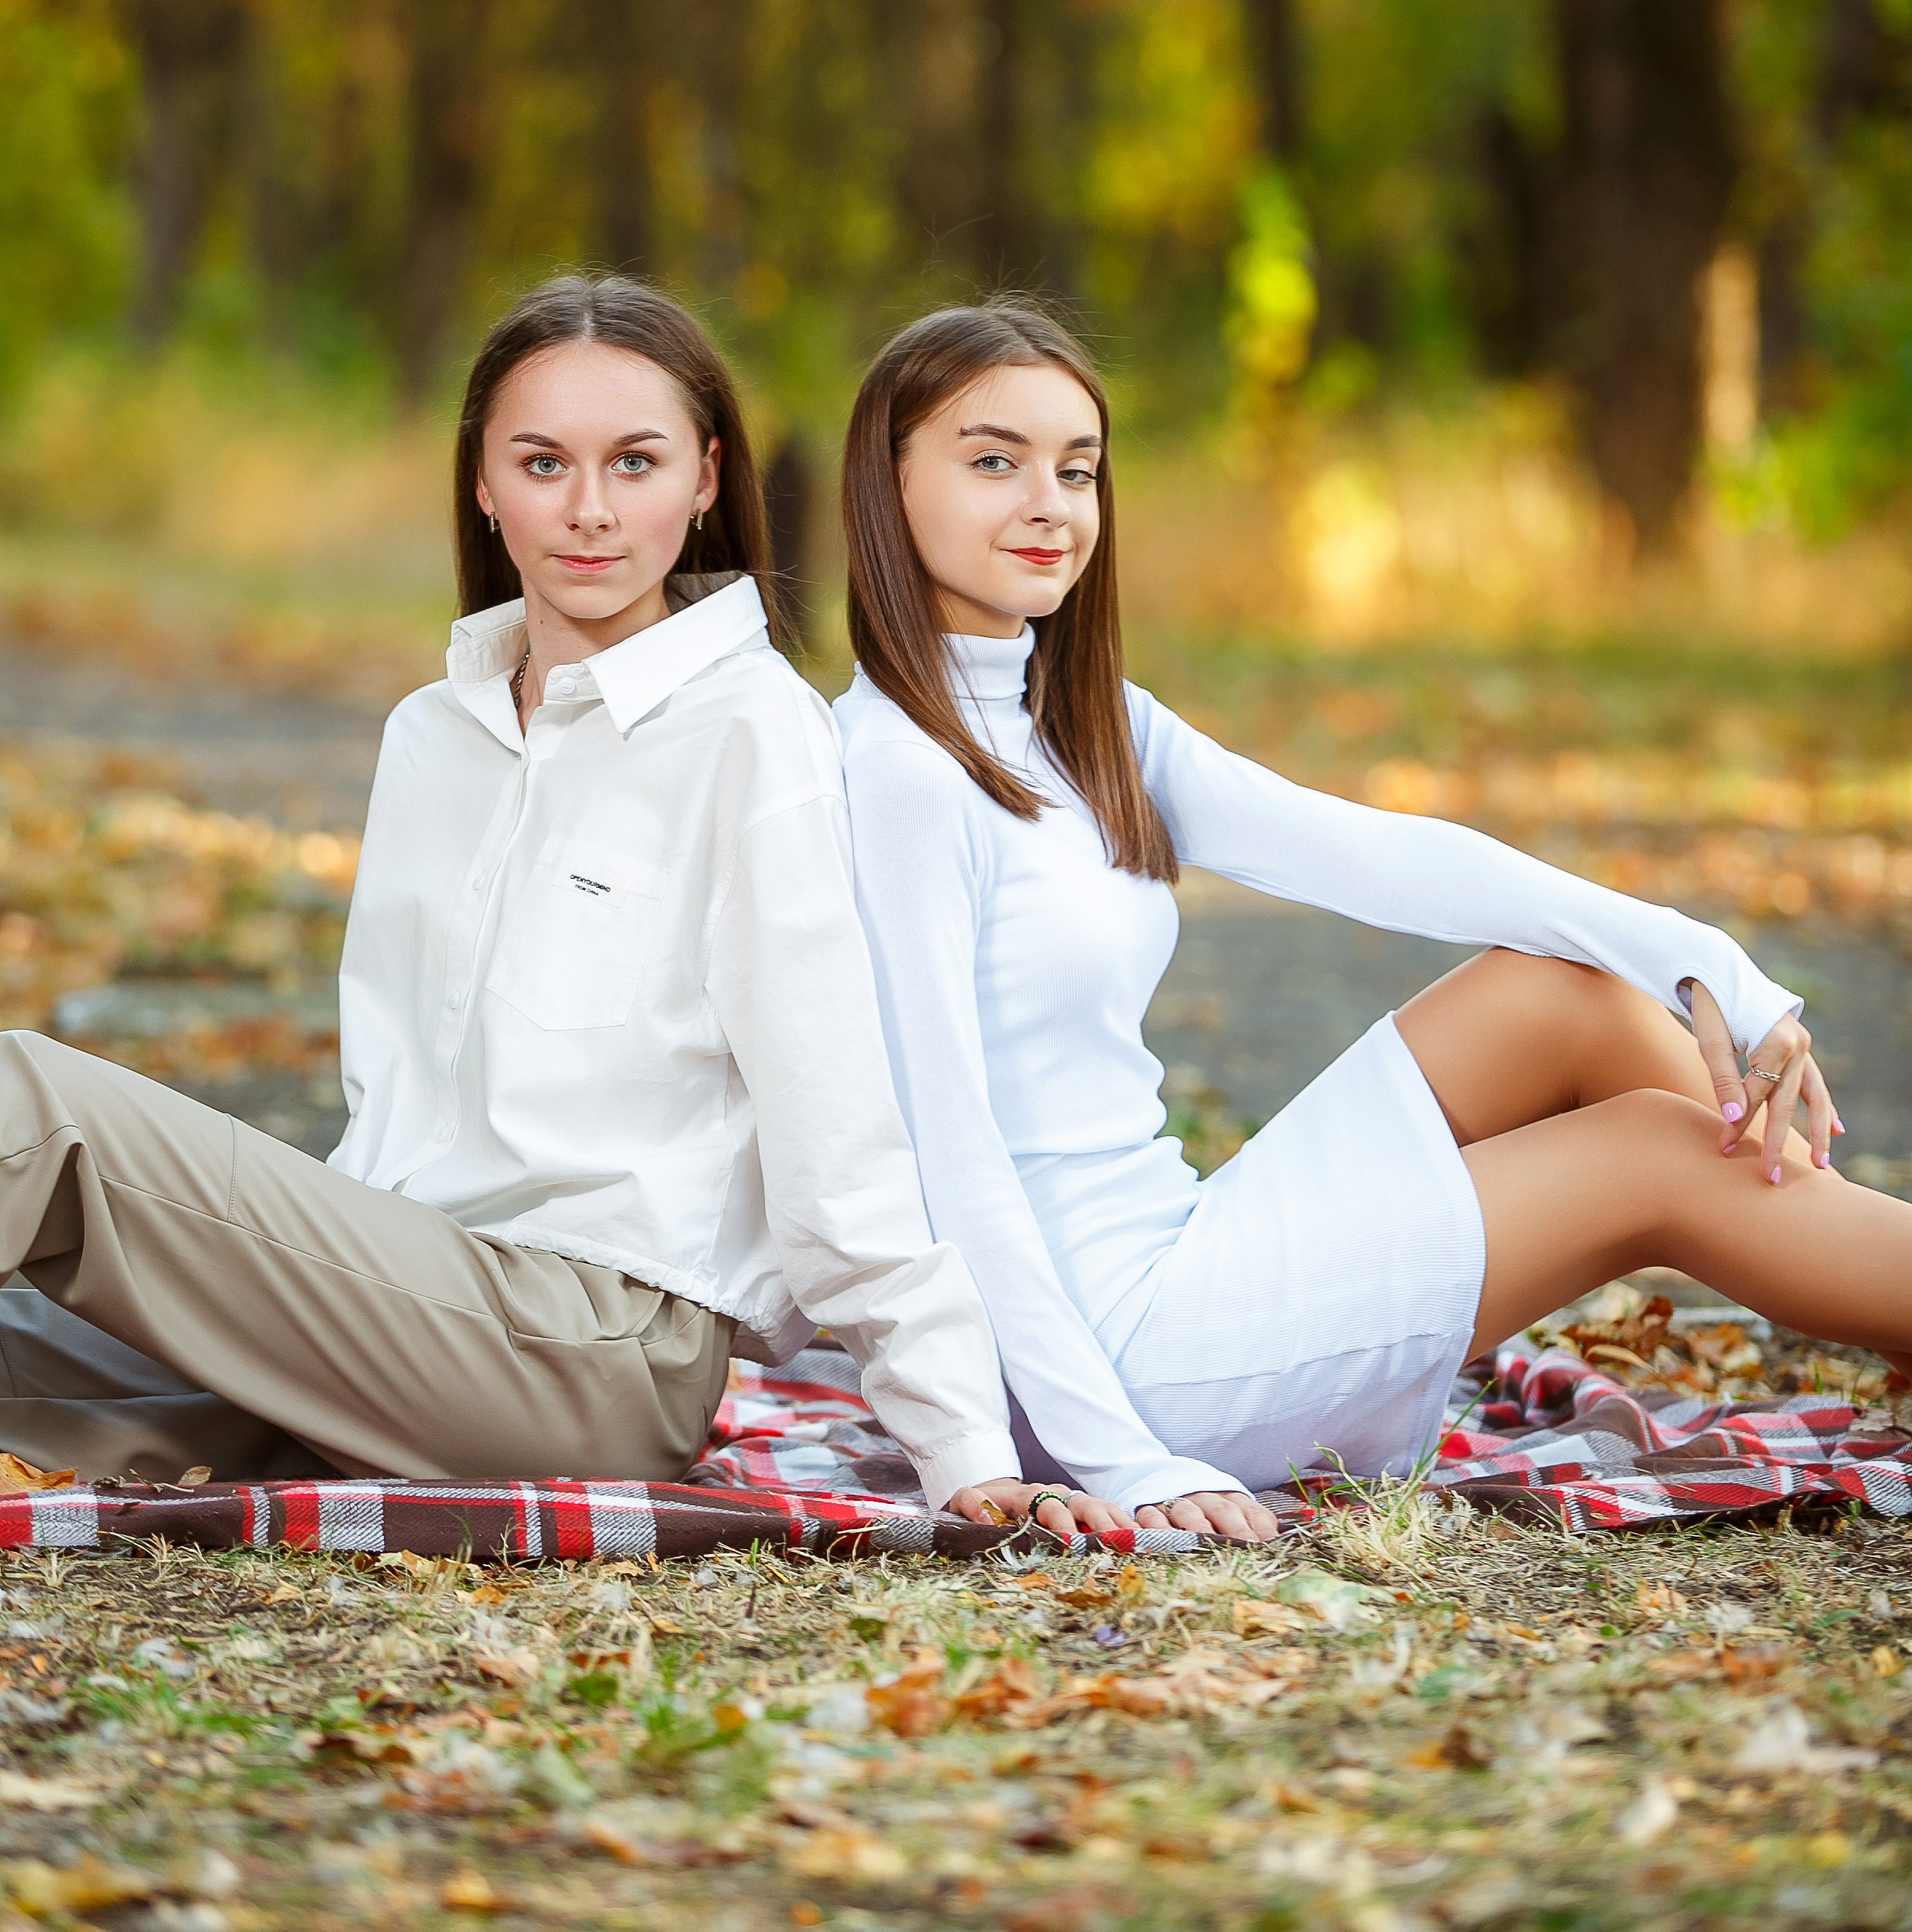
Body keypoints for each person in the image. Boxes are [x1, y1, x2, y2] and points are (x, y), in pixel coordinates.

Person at [834, 298, 1912, 1546]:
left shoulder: (1084, 720)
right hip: (1112, 1366)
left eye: (1077, 469)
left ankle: (1868, 1276)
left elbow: (1379, 857)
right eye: (992, 461)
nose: (1049, 504)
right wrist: (1122, 1458)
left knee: (1562, 992)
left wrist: (1708, 961)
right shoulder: (898, 774)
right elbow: (949, 1166)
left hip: (1184, 1247)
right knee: (1662, 1153)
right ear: (887, 482)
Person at [0, 276, 1043, 1526]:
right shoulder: (431, 736)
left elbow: (837, 1121)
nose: (590, 510)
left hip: (596, 1346)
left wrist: (965, 1444)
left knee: (32, 1106)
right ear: (485, 483)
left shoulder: (754, 734)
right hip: (406, 1301)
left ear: (706, 479)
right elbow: (396, 1108)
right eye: (543, 462)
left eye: (636, 462)